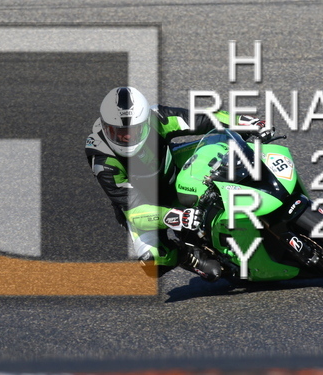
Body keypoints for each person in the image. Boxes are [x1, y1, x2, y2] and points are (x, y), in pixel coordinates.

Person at [85, 86, 271, 282]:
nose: (127, 138)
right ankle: (185, 255)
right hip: (144, 204)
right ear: (105, 126)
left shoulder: (156, 117)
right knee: (152, 262)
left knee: (225, 147)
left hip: (174, 168)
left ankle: (265, 186)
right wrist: (175, 217)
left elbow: (202, 118)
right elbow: (134, 211)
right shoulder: (101, 158)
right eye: (117, 132)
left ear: (145, 122)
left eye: (133, 130)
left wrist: (246, 122)